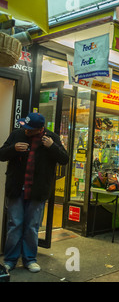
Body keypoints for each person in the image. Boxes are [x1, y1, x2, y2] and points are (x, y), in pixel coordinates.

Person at [0, 113, 69, 273]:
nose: (25, 130)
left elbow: (64, 159)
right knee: (14, 225)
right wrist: (13, 149)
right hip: (16, 189)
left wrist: (52, 146)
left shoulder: (52, 138)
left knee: (32, 226)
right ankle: (10, 260)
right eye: (25, 126)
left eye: (29, 129)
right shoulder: (17, 134)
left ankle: (30, 259)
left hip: (38, 191)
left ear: (40, 129)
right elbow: (1, 154)